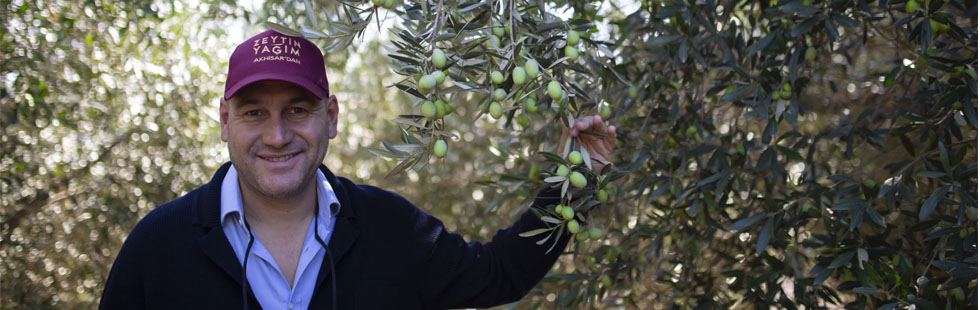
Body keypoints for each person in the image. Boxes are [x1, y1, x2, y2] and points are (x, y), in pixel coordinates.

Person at [99, 29, 617, 309]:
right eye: (254, 112)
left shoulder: (390, 229)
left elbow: (498, 275)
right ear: (224, 121)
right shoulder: (158, 246)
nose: (277, 135)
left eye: (297, 110)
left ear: (332, 117)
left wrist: (575, 181)